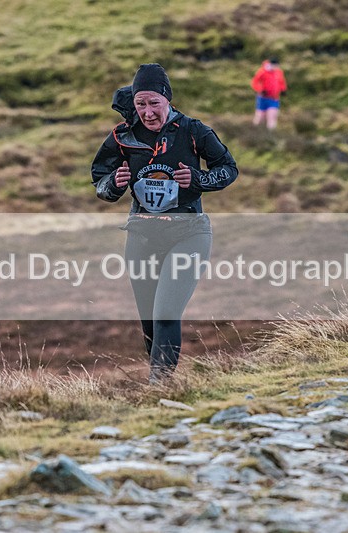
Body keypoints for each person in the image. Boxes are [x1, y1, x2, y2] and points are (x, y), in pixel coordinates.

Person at [91, 63, 239, 383]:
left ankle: (159, 386)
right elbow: (100, 181)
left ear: (167, 100)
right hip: (142, 236)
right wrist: (114, 184)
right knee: (150, 321)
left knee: (166, 312)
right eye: (140, 104)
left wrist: (199, 179)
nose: (147, 112)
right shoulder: (123, 136)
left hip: (188, 232)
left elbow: (227, 168)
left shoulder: (193, 130)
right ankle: (161, 379)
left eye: (154, 103)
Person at [251, 58, 287, 130]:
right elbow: (255, 82)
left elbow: (281, 81)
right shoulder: (262, 72)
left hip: (274, 98)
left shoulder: (278, 72)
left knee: (272, 115)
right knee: (260, 117)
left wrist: (283, 90)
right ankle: (254, 131)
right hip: (263, 98)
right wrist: (260, 90)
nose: (276, 67)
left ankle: (271, 135)